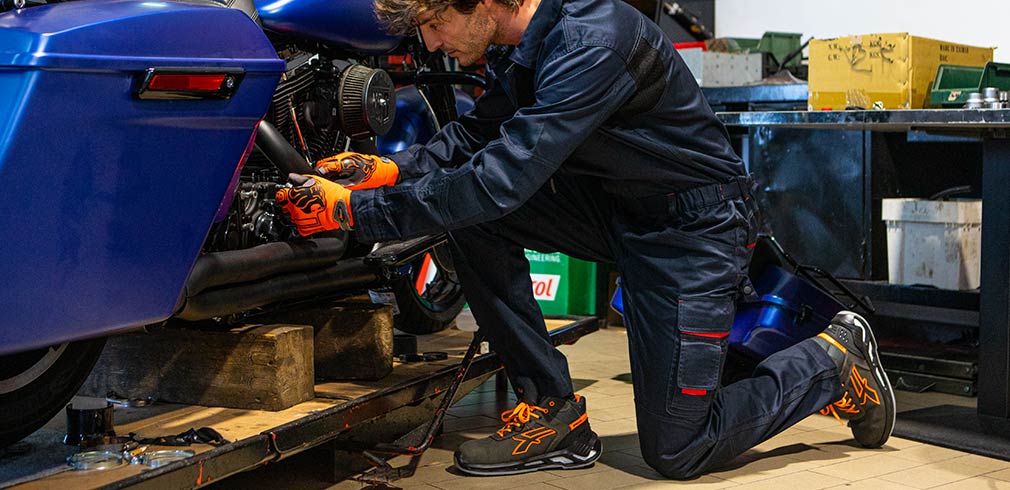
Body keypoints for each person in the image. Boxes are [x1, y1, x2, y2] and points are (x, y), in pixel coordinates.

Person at [274, 0, 896, 479]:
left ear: (485, 3)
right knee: (471, 211)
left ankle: (832, 360)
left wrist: (357, 213)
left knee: (679, 446)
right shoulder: (531, 43)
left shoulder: (594, 42)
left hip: (692, 232)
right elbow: (475, 139)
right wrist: (390, 170)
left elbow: (499, 180)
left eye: (435, 24)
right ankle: (553, 412)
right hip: (623, 212)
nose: (430, 43)